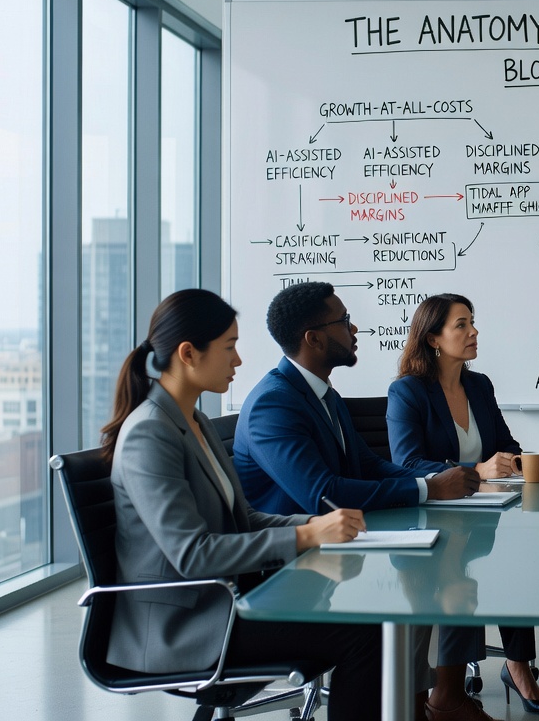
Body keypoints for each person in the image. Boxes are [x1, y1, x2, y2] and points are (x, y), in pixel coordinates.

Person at [101, 289, 381, 720]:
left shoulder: (193, 420)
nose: (239, 361)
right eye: (229, 348)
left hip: (224, 603)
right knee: (364, 633)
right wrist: (306, 536)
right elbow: (193, 554)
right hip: (187, 627)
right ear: (188, 353)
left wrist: (315, 525)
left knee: (367, 620)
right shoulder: (149, 433)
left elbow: (243, 519)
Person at [232, 281, 486, 720]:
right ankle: (417, 702)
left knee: (445, 559)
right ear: (313, 337)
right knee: (420, 584)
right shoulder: (273, 405)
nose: (355, 329)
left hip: (339, 544)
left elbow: (368, 465)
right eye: (344, 322)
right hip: (289, 566)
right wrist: (428, 487)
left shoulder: (323, 393)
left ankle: (430, 699)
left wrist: (432, 480)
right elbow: (323, 494)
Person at [388, 293, 539, 716]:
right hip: (432, 517)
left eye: (472, 322)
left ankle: (525, 662)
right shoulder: (407, 392)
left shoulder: (478, 384)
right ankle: (537, 654)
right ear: (433, 337)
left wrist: (516, 461)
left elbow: (506, 445)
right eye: (461, 325)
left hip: (480, 515)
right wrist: (477, 468)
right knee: (514, 558)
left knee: (528, 545)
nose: (473, 332)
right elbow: (407, 463)